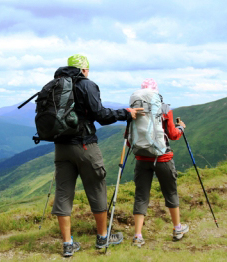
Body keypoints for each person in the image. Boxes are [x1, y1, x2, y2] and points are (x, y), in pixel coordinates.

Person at [51, 54, 143, 257]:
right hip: (85, 146)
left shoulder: (56, 85)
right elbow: (100, 115)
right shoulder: (87, 85)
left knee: (64, 193)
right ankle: (102, 237)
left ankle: (67, 244)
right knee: (96, 188)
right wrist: (126, 113)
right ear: (84, 69)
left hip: (61, 147)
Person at [128, 78, 189, 247]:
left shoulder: (135, 109)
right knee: (170, 192)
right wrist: (181, 128)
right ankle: (177, 228)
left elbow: (129, 139)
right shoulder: (164, 109)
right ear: (156, 92)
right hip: (162, 158)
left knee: (141, 196)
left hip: (141, 158)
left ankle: (138, 236)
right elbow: (172, 134)